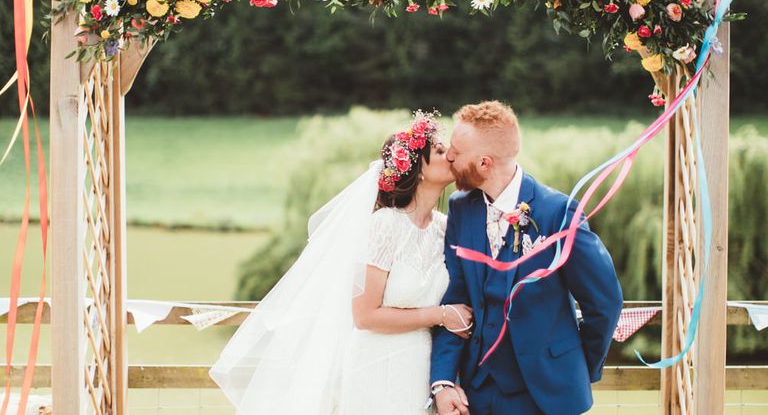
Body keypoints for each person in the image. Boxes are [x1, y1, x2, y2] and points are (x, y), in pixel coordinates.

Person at [210, 110, 473, 414]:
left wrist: (446, 378)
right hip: (377, 365)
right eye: (440, 151)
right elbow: (365, 315)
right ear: (419, 170)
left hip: (421, 367)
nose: (452, 156)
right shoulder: (385, 225)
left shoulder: (445, 228)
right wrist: (440, 315)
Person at [430, 101, 623, 415]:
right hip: (475, 394)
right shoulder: (461, 207)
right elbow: (456, 299)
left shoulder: (558, 212)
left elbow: (605, 301)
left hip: (547, 398)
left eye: (456, 150)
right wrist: (443, 380)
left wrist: (572, 364)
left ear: (484, 163)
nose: (448, 155)